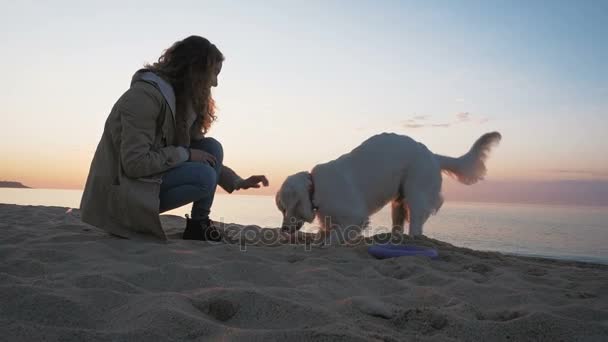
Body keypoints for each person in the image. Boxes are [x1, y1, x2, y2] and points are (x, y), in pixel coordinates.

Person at [80, 35, 268, 241]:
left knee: (211, 147)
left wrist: (237, 181)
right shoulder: (144, 97)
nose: (215, 83)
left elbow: (202, 155)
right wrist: (185, 154)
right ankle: (135, 221)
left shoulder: (181, 103)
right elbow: (134, 163)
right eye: (213, 74)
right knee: (204, 176)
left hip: (147, 182)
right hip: (120, 195)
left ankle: (198, 225)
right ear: (195, 71)